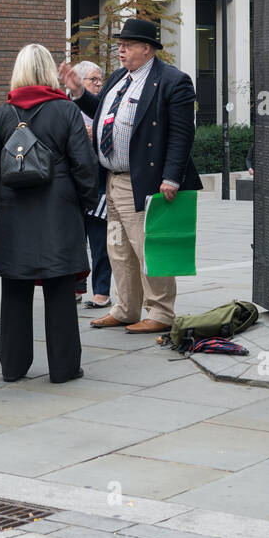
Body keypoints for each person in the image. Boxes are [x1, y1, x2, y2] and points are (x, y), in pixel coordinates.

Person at [59, 18, 202, 334]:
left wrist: (172, 177)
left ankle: (161, 311)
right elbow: (103, 113)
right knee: (118, 247)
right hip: (111, 178)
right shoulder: (118, 78)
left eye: (127, 45)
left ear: (147, 49)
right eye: (119, 44)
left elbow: (182, 133)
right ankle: (126, 307)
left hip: (145, 180)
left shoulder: (172, 81)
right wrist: (80, 91)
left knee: (148, 247)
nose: (120, 49)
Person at [0, 44, 98, 384]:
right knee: (60, 290)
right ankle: (63, 368)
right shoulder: (65, 110)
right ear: (48, 72)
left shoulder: (4, 112)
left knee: (15, 291)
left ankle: (13, 367)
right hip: (58, 213)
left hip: (15, 213)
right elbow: (84, 165)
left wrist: (0, 204)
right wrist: (84, 204)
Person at [73, 60, 111, 308]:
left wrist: (95, 134)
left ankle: (102, 291)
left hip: (99, 185)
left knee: (100, 242)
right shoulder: (67, 107)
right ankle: (76, 287)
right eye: (93, 80)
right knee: (75, 240)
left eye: (100, 80)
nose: (98, 84)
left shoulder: (105, 108)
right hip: (74, 185)